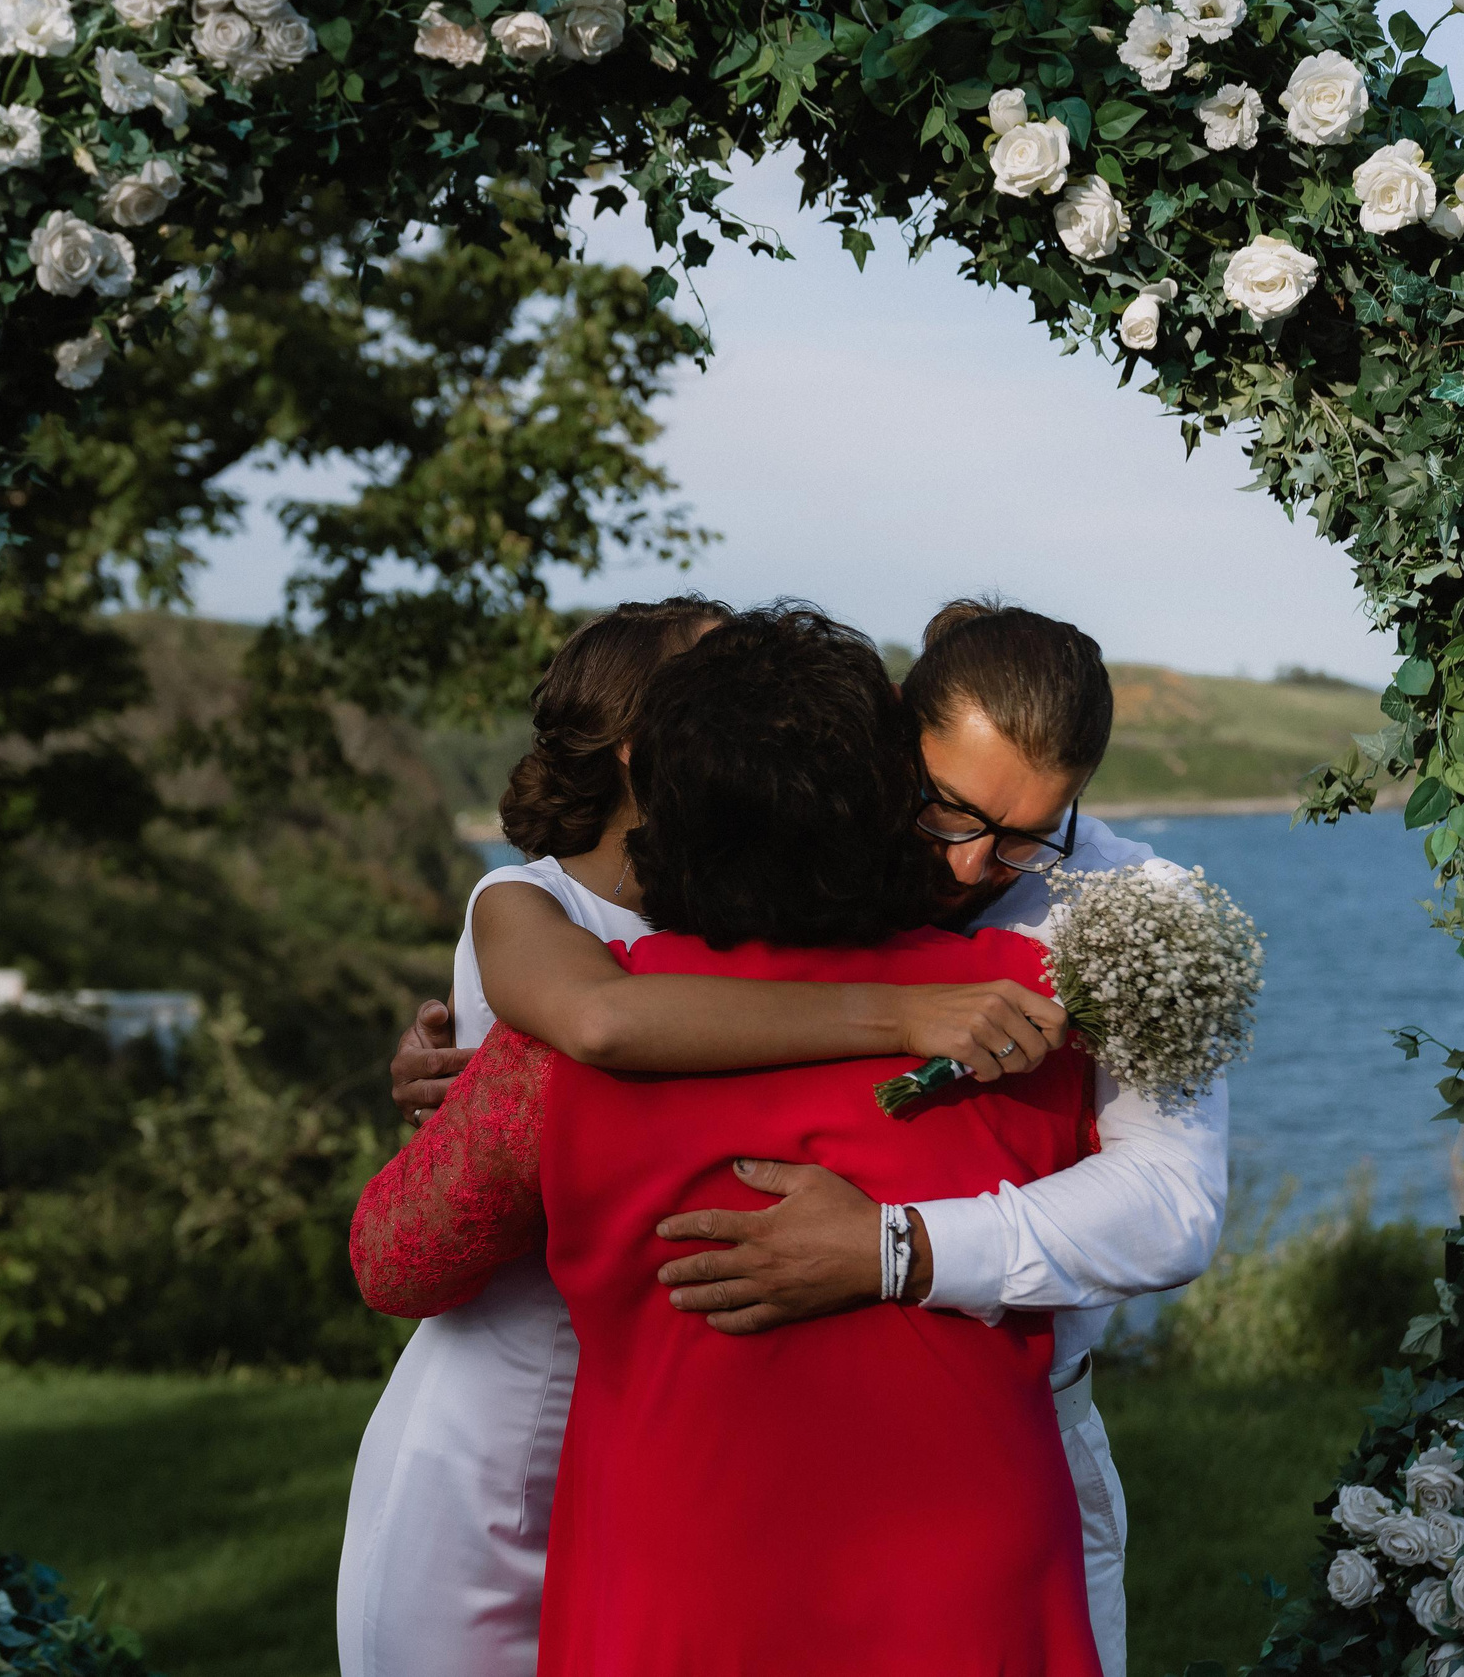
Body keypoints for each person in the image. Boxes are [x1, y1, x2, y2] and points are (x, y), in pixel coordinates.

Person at [388, 597, 1230, 1677]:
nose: (972, 866)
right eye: (947, 812)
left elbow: (1171, 1204)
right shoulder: (1004, 985)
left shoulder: (1111, 938)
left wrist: (894, 1247)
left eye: (1030, 837)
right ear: (883, 749)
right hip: (854, 1524)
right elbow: (599, 1008)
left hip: (881, 1495)